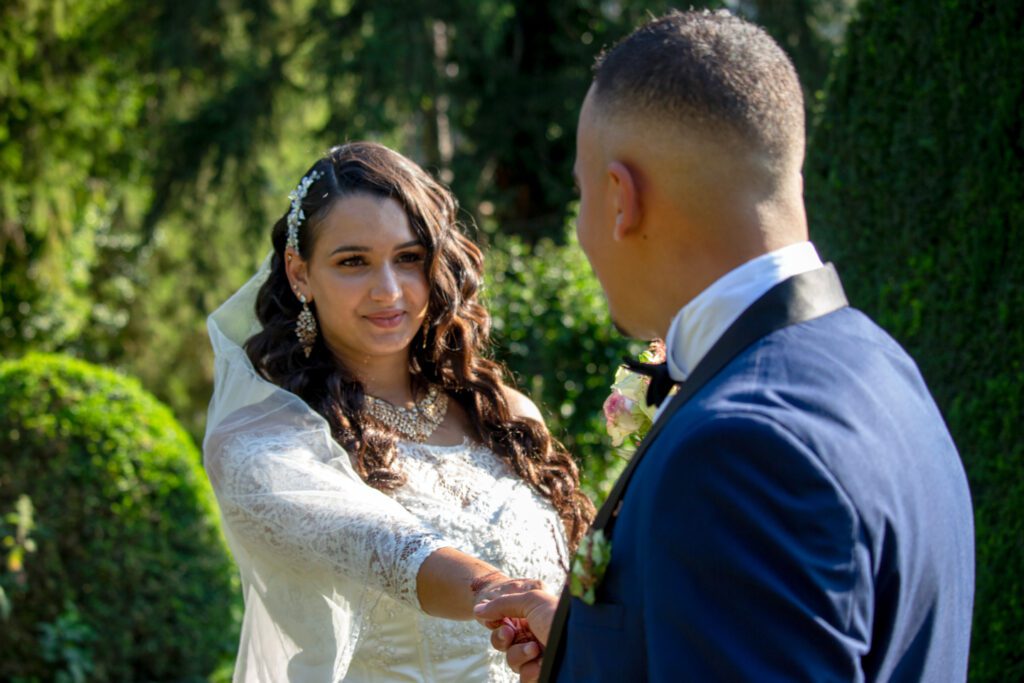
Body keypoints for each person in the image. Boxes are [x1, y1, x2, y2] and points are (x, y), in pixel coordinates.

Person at [475, 9, 975, 682]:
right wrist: (587, 647)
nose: (585, 234)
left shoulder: (737, 451)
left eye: (581, 192)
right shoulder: (879, 362)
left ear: (622, 198)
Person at [202, 141, 594, 682]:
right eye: (353, 262)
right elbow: (390, 551)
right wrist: (516, 603)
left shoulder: (503, 413)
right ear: (299, 274)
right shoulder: (261, 445)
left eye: (408, 258)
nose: (388, 291)